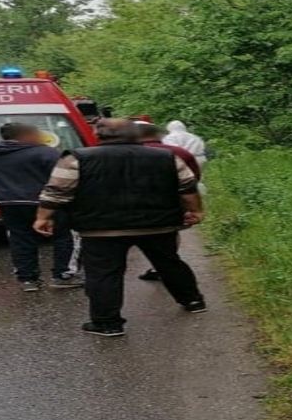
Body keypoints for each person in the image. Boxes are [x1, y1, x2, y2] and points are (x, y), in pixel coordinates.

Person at [34, 118, 206, 337]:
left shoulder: (76, 158)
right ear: (136, 135)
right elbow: (187, 188)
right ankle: (193, 301)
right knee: (169, 263)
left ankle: (107, 323)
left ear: (98, 135)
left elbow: (56, 192)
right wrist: (195, 211)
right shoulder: (166, 157)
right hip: (158, 225)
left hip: (100, 228)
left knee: (103, 274)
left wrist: (43, 217)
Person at [0, 122, 83, 292]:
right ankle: (63, 275)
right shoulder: (45, 152)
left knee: (20, 238)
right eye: (37, 133)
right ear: (26, 135)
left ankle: (28, 279)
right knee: (64, 235)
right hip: (43, 201)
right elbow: (60, 178)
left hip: (8, 202)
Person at [134, 121, 201, 282]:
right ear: (158, 134)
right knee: (168, 234)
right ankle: (165, 267)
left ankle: (159, 268)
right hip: (172, 201)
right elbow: (192, 178)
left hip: (134, 203)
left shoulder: (126, 153)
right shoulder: (179, 152)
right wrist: (194, 207)